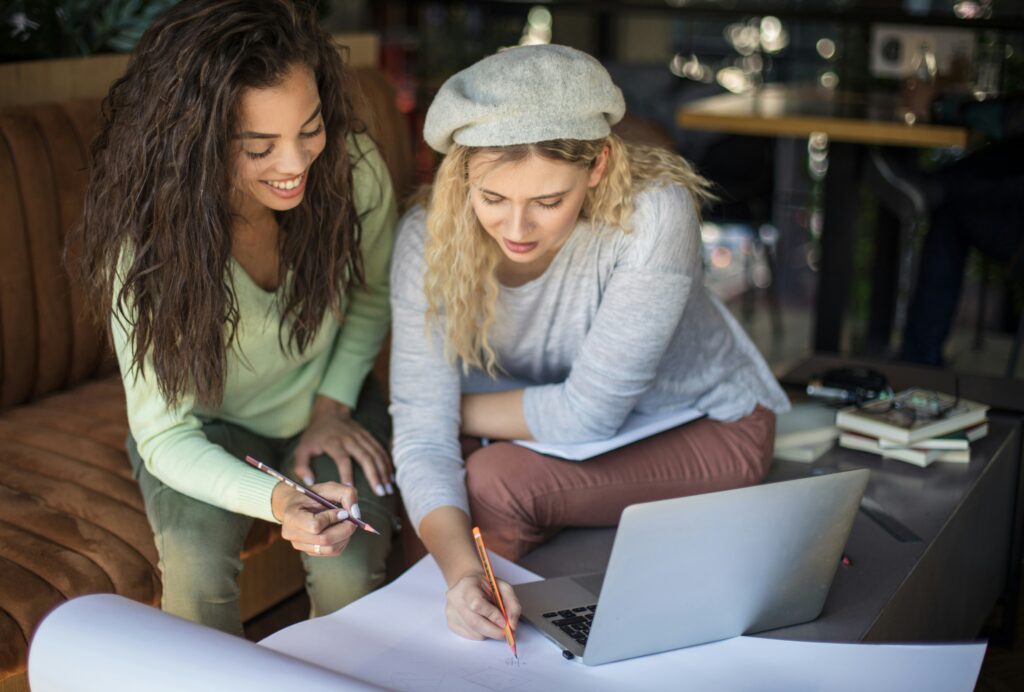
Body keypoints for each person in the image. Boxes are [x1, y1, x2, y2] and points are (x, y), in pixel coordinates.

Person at [388, 45, 790, 644]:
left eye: (548, 202)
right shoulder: (427, 238)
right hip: (538, 421)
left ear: (598, 165)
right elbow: (422, 440)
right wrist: (462, 571)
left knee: (490, 480)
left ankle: (491, 658)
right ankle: (440, 628)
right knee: (429, 483)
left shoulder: (653, 216)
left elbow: (589, 413)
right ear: (463, 174)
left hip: (708, 422)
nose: (517, 229)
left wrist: (444, 411)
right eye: (492, 198)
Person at [74, 0, 398, 635]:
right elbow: (165, 435)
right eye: (259, 147)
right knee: (195, 575)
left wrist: (332, 406)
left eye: (310, 129)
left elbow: (371, 294)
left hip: (329, 402)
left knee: (349, 574)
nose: (296, 164)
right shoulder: (144, 248)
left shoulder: (353, 170)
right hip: (207, 428)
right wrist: (279, 501)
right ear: (195, 144)